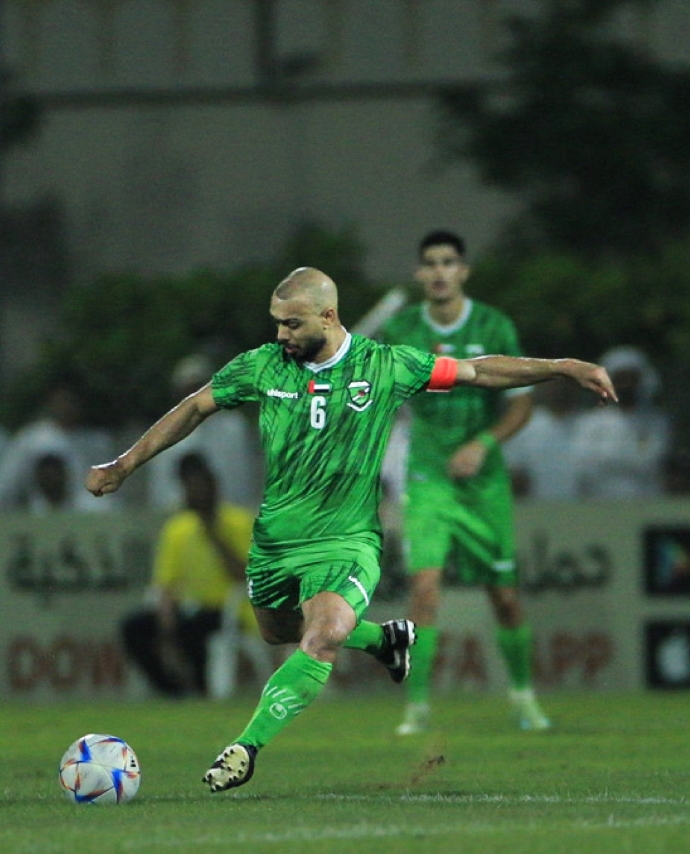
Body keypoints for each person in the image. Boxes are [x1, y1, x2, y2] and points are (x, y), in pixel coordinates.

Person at [86, 266, 616, 792]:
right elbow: (195, 408)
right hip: (275, 543)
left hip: (347, 541)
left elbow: (479, 371)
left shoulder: (385, 366)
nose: (280, 335)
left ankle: (244, 748)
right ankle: (384, 640)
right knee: (278, 632)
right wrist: (124, 465)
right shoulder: (261, 367)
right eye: (276, 323)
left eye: (291, 324)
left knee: (321, 638)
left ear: (328, 316)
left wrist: (563, 366)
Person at [379, 230, 551, 736]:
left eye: (448, 262)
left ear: (463, 271)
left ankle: (523, 697)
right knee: (424, 590)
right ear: (418, 273)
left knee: (504, 595)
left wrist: (485, 444)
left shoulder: (494, 325)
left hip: (483, 484)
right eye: (429, 262)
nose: (438, 271)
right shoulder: (401, 328)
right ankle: (416, 708)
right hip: (428, 477)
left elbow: (522, 401)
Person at [121, 453, 255, 697]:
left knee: (194, 627)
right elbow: (164, 584)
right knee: (135, 628)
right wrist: (166, 623)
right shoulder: (177, 528)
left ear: (215, 488)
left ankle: (204, 689)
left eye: (203, 488)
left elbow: (243, 576)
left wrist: (213, 532)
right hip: (186, 608)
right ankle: (170, 691)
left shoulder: (240, 521)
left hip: (229, 610)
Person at [145, 354, 261, 512]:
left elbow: (244, 475)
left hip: (233, 513)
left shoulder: (233, 427)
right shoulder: (165, 431)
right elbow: (162, 490)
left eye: (200, 387)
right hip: (183, 518)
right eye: (190, 389)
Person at [0, 385, 117, 513]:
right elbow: (5, 485)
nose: (67, 407)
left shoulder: (96, 441)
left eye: (72, 402)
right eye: (62, 402)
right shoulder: (32, 438)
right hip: (39, 512)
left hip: (85, 512)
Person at [570, 346, 671, 499]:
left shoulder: (657, 422)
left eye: (631, 379)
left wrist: (610, 460)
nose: (626, 385)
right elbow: (583, 465)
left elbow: (653, 462)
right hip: (601, 502)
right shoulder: (590, 423)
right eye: (620, 379)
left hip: (647, 500)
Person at [505, 377, 582, 500]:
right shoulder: (525, 423)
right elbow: (513, 471)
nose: (558, 389)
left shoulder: (589, 423)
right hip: (537, 508)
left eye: (563, 383)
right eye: (553, 384)